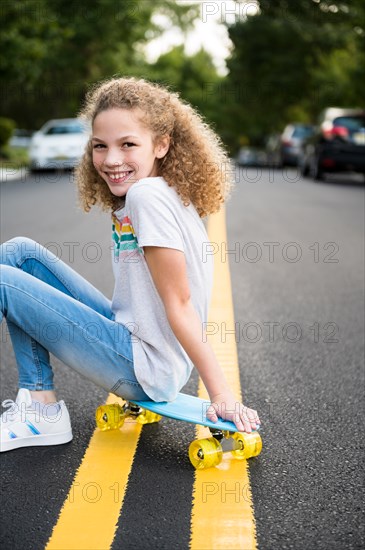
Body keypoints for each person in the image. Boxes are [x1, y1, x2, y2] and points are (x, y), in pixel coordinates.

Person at [0, 77, 260, 453]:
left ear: (161, 145)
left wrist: (221, 393)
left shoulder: (145, 197)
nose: (111, 160)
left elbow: (181, 303)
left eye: (128, 145)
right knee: (18, 254)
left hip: (143, 365)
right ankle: (39, 405)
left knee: (5, 281)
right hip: (137, 341)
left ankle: (41, 414)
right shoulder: (160, 190)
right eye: (100, 146)